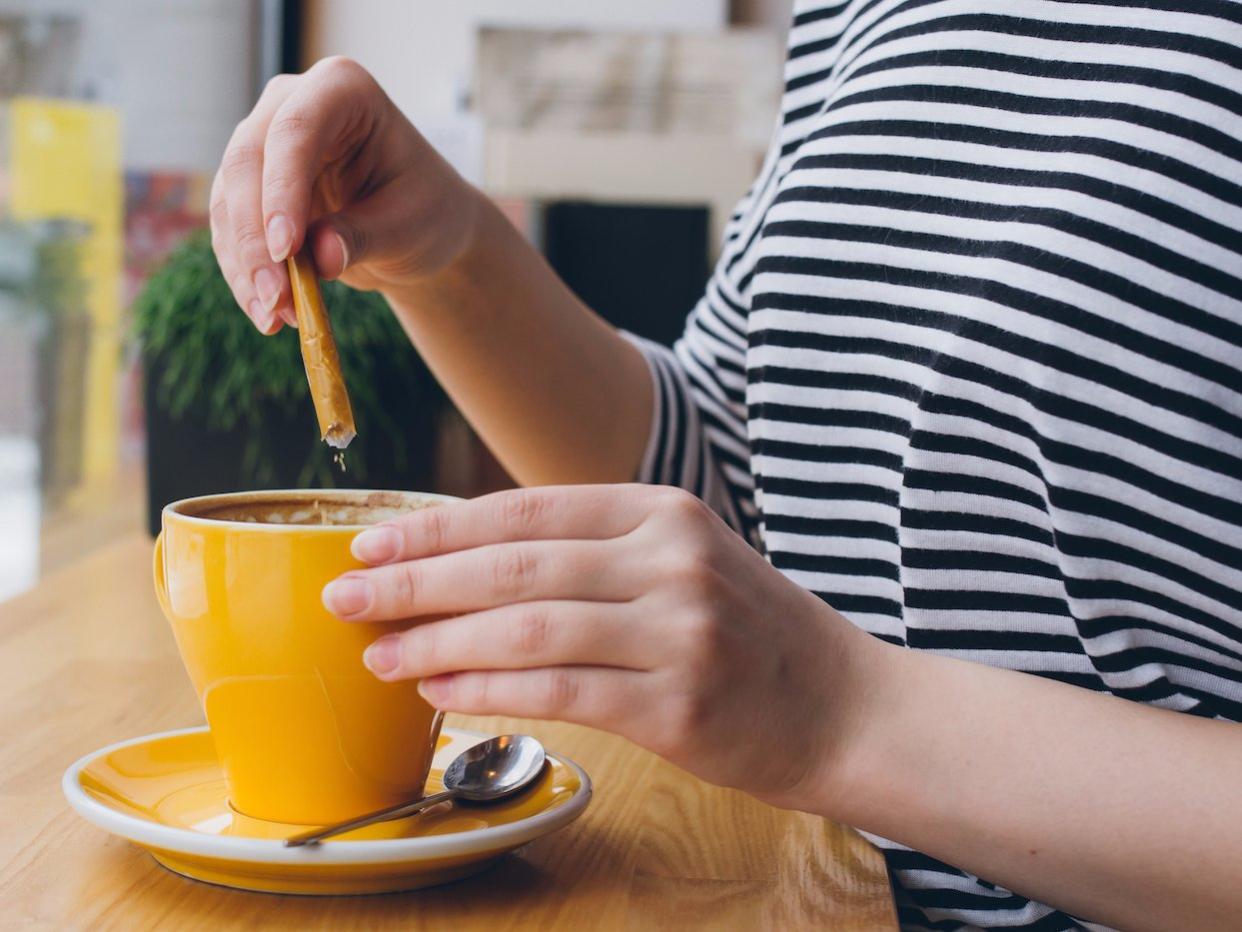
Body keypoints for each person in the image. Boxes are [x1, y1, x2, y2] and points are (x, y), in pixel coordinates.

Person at [208, 2, 1242, 929]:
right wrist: (450, 254)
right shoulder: (857, 15)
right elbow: (735, 478)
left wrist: (846, 714)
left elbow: (810, 668)